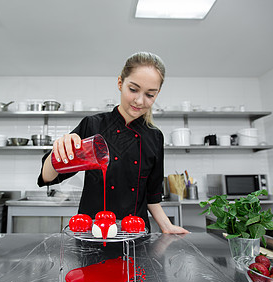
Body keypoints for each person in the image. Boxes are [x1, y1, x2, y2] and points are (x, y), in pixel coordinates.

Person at [38, 52, 189, 234]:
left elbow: (152, 196)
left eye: (150, 94)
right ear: (120, 83)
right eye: (133, 89)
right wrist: (58, 151)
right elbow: (48, 177)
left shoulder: (155, 137)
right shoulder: (93, 125)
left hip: (135, 235)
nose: (139, 101)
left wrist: (167, 226)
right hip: (92, 235)